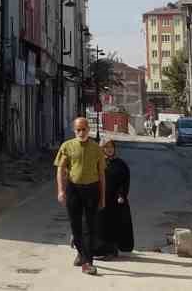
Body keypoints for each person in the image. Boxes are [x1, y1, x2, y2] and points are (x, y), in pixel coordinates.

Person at [54, 116, 106, 275]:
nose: (81, 132)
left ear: (89, 130)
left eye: (84, 129)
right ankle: (80, 253)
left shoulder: (97, 148)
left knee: (90, 226)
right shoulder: (67, 146)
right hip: (73, 189)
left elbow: (102, 174)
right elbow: (60, 169)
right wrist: (61, 190)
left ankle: (87, 262)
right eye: (78, 130)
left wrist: (102, 197)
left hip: (91, 189)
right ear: (74, 130)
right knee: (75, 226)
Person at [93, 138, 134, 258]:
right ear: (101, 149)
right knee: (99, 225)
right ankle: (99, 250)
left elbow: (124, 181)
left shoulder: (120, 164)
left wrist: (122, 195)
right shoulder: (96, 163)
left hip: (114, 200)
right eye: (106, 147)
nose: (109, 150)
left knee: (114, 224)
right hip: (99, 198)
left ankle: (112, 250)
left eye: (111, 147)